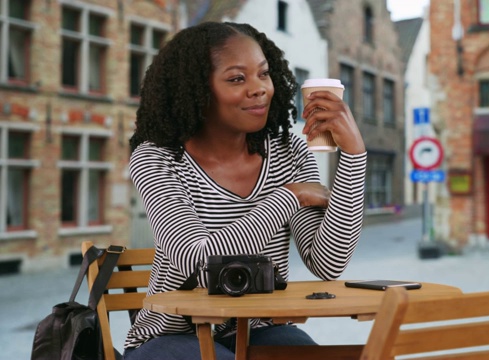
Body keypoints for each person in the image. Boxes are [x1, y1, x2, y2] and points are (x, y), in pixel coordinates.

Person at [124, 21, 367, 360]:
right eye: (237, 78)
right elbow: (196, 258)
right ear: (198, 89)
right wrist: (290, 197)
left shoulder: (290, 154)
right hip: (171, 335)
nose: (259, 89)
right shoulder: (159, 159)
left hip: (258, 328)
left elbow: (327, 263)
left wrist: (354, 155)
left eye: (263, 74)